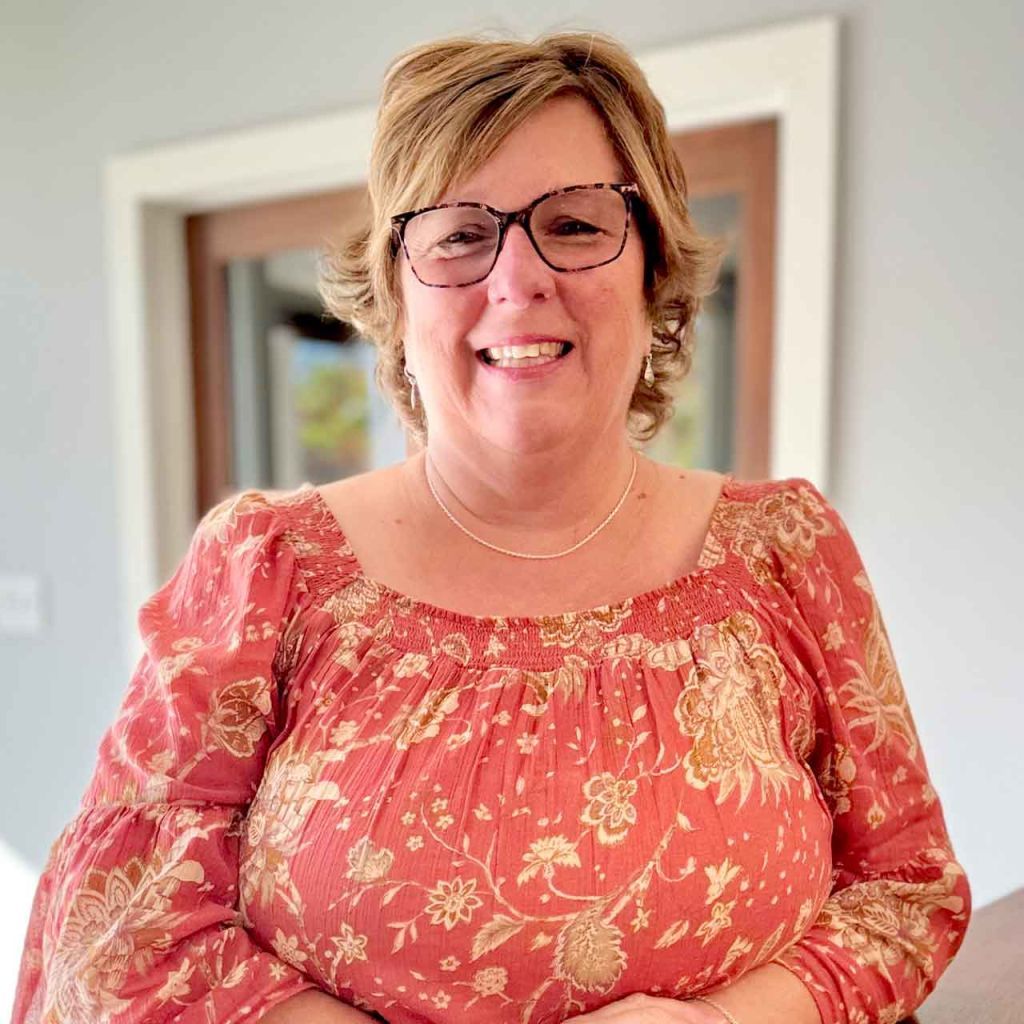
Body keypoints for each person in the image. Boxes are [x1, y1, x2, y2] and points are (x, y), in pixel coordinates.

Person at [14, 31, 969, 1024]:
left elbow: (906, 889)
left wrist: (725, 1021)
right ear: (396, 293)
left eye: (572, 223)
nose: (517, 278)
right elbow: (120, 925)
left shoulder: (788, 552)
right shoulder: (266, 570)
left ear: (650, 270)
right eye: (460, 234)